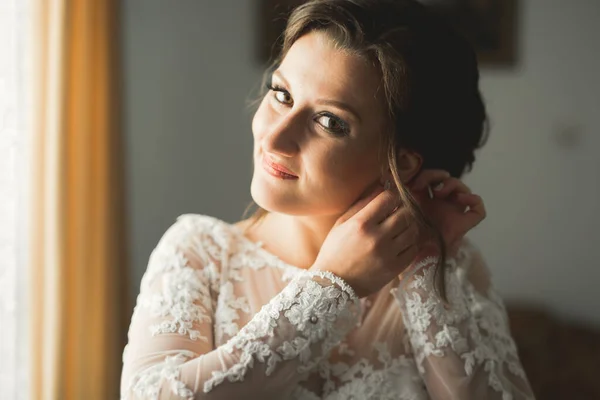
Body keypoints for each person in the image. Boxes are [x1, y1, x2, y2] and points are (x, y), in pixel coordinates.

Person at [120, 0, 535, 398]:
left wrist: (425, 263)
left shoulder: (451, 268)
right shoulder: (199, 252)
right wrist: (332, 286)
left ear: (404, 164)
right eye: (281, 94)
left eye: (329, 122)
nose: (275, 138)